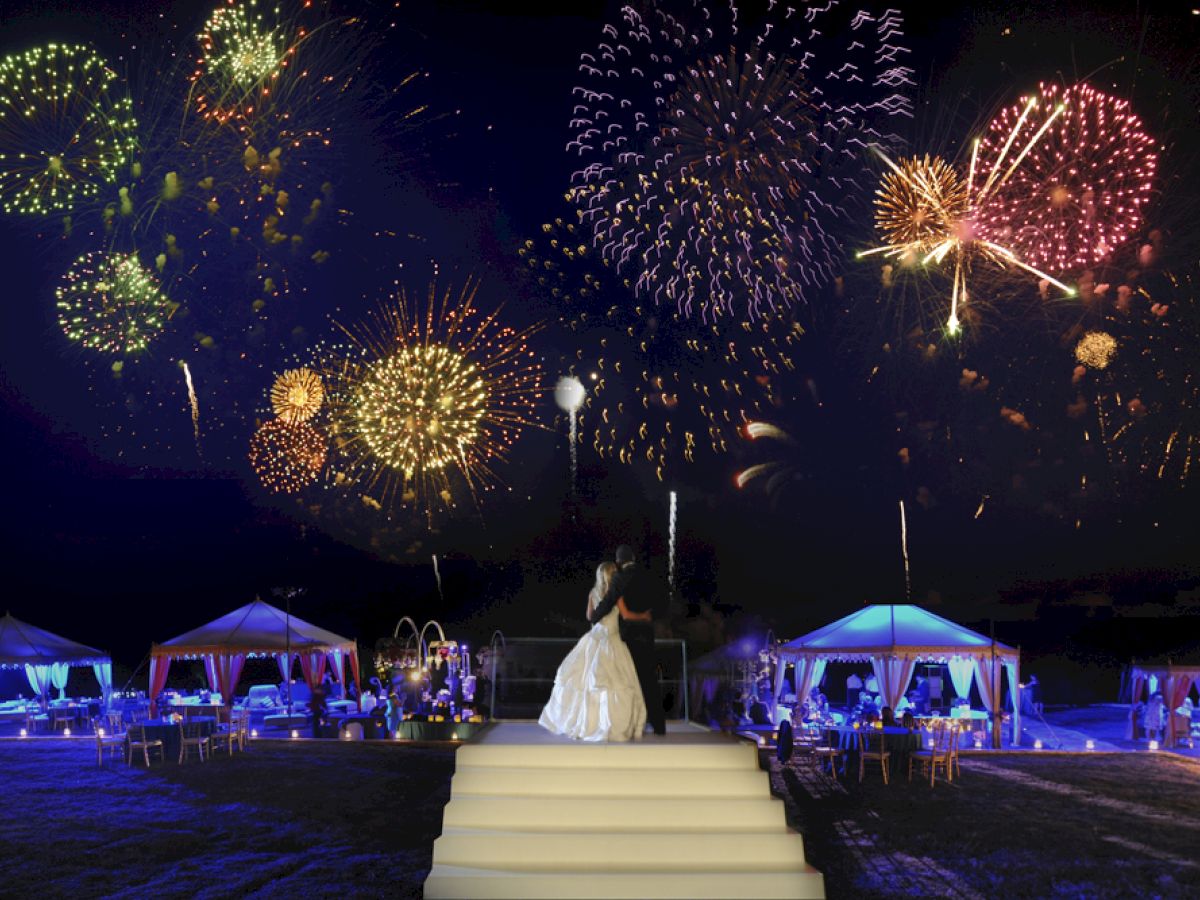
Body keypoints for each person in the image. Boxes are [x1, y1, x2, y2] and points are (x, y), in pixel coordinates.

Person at [538, 557, 649, 741]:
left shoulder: (593, 592)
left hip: (594, 639)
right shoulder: (616, 594)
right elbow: (627, 615)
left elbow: (589, 616)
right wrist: (644, 616)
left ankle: (588, 723)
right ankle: (610, 724)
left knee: (587, 682)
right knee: (614, 681)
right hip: (611, 640)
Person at [587, 544, 667, 736]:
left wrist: (594, 618)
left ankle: (628, 722)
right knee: (649, 678)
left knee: (629, 681)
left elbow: (608, 602)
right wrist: (650, 617)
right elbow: (660, 599)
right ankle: (659, 725)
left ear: (619, 562)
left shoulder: (620, 578)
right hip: (647, 634)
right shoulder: (648, 576)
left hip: (628, 636)